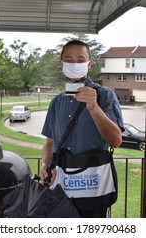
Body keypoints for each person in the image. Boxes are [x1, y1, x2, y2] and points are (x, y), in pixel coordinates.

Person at [40, 39, 124, 218]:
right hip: (62, 190)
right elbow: (49, 142)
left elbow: (116, 141)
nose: (74, 64)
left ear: (89, 63)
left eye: (80, 59)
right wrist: (45, 165)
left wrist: (94, 108)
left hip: (94, 190)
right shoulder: (56, 102)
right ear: (61, 63)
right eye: (69, 60)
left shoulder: (104, 95)